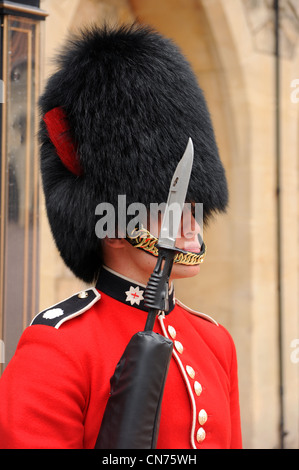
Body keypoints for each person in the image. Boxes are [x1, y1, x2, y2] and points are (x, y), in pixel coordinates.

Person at [0, 24, 242, 449]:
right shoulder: (58, 347)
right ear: (114, 228)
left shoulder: (216, 342)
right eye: (167, 207)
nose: (192, 223)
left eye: (192, 206)